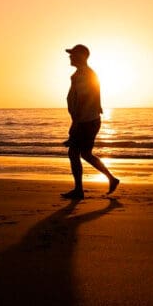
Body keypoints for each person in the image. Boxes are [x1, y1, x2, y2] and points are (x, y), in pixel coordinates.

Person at [61, 44, 119, 199]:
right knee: (85, 154)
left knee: (74, 153)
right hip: (88, 120)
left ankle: (79, 190)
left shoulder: (84, 75)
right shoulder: (81, 74)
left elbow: (85, 100)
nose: (70, 57)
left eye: (73, 54)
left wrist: (76, 126)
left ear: (80, 56)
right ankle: (111, 179)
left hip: (85, 121)